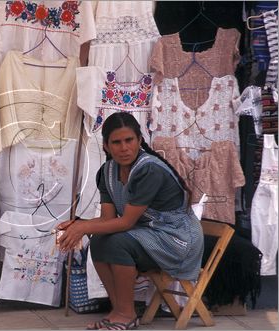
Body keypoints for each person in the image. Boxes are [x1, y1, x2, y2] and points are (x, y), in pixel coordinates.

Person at [57, 112, 204, 330]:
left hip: (177, 239)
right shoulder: (107, 172)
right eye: (116, 142)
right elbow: (108, 220)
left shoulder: (149, 170)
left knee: (117, 242)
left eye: (129, 140)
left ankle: (127, 313)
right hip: (146, 233)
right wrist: (77, 224)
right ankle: (119, 311)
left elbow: (125, 223)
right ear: (106, 146)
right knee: (98, 241)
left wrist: (83, 226)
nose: (124, 148)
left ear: (139, 140)